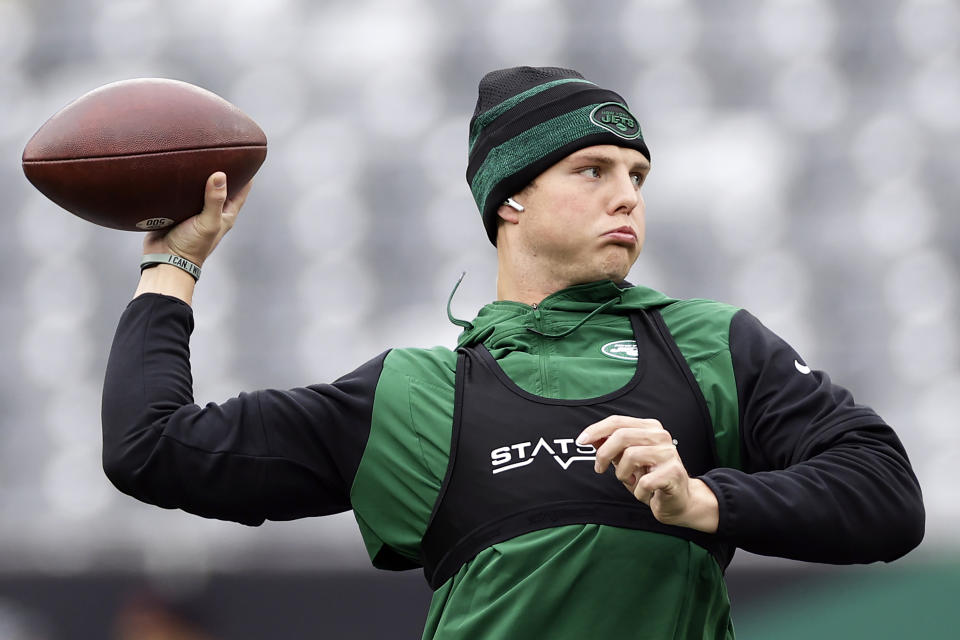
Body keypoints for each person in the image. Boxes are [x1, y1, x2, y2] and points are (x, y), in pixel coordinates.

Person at [101, 66, 925, 639]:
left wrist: (702, 500)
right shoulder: (413, 394)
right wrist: (173, 263)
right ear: (512, 199)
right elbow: (153, 449)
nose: (627, 194)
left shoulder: (709, 344)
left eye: (638, 174)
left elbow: (886, 495)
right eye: (593, 169)